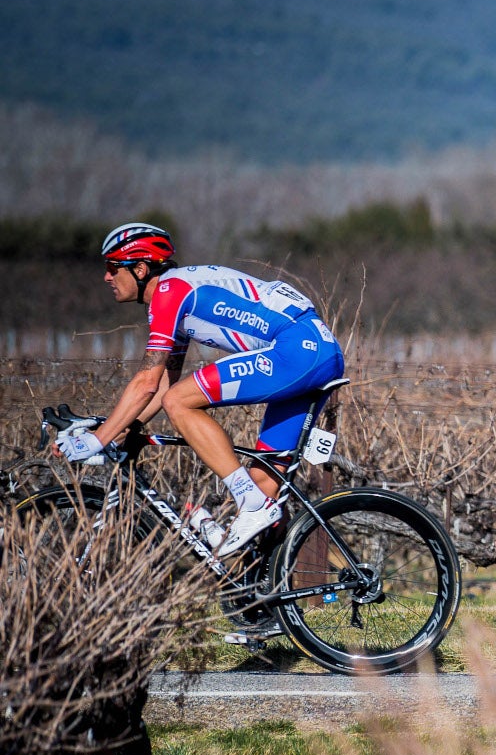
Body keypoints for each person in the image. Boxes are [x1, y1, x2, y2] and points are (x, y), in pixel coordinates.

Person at [57, 223, 346, 559]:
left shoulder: (169, 293)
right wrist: (121, 429)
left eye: (111, 268)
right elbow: (162, 378)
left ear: (139, 269)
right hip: (319, 353)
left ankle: (249, 502)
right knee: (264, 484)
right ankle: (263, 598)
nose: (106, 277)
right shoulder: (178, 298)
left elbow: (149, 382)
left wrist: (97, 439)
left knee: (180, 401)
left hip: (297, 351)